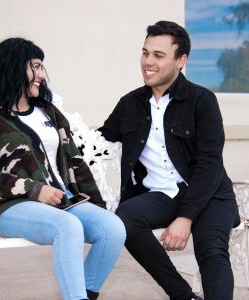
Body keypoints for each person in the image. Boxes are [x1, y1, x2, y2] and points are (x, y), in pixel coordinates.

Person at [0, 37, 126, 300]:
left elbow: (75, 161)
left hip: (62, 201)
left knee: (113, 228)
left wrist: (96, 208)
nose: (41, 75)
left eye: (42, 67)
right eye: (35, 66)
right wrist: (35, 190)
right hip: (11, 206)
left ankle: (82, 293)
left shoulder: (48, 112)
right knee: (68, 226)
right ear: (14, 68)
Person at [98, 21, 240, 300]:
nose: (147, 62)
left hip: (209, 193)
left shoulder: (202, 100)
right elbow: (99, 141)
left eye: (158, 55)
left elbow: (209, 164)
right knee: (125, 218)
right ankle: (182, 295)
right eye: (145, 53)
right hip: (163, 194)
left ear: (180, 61)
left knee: (211, 249)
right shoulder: (130, 103)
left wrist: (185, 218)